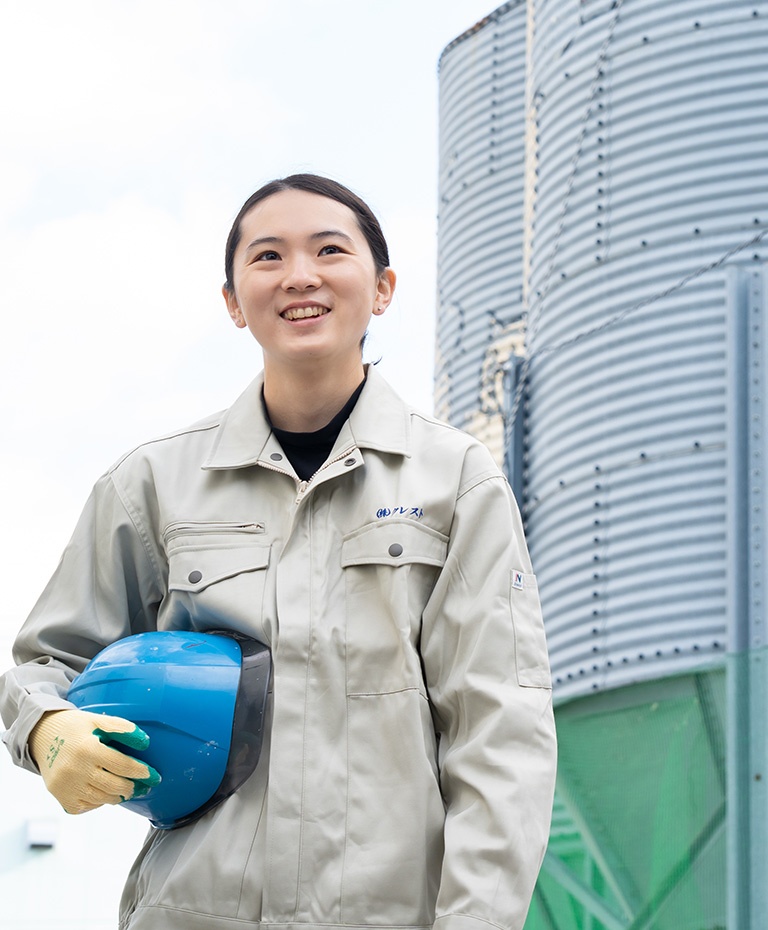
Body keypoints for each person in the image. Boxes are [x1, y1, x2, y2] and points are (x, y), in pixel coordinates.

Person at [1, 174, 557, 930]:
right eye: (267, 256)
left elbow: (500, 733)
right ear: (233, 301)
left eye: (329, 250)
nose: (299, 275)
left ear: (383, 288)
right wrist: (44, 725)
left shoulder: (455, 482)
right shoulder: (154, 483)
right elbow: (46, 661)